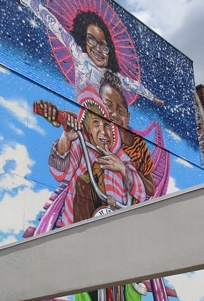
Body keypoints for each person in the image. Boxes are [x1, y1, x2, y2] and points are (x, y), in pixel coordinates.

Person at [1, 0, 164, 105]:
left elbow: (135, 85)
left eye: (103, 46)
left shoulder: (112, 76)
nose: (98, 49)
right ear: (84, 42)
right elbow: (52, 23)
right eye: (92, 40)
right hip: (82, 112)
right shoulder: (78, 53)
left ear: (110, 51)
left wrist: (153, 98)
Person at [40, 86, 146, 227]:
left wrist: (123, 169)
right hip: (76, 226)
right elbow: (60, 173)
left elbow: (141, 194)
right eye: (96, 122)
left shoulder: (121, 157)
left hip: (115, 227)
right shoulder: (82, 146)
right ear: (89, 126)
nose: (103, 132)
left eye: (107, 125)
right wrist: (66, 138)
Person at [99, 71, 155, 198]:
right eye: (108, 106)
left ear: (128, 117)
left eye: (120, 111)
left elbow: (151, 189)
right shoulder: (95, 133)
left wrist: (127, 170)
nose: (114, 115)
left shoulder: (137, 144)